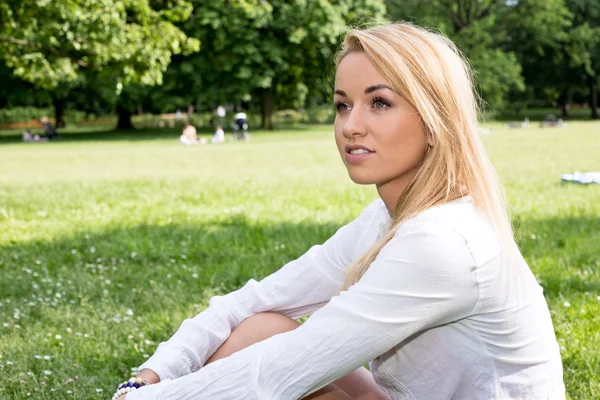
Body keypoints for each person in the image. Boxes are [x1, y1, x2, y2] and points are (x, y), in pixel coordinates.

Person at [113, 23, 565, 400]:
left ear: (435, 121)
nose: (351, 126)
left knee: (269, 357)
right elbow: (254, 302)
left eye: (379, 102)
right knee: (262, 326)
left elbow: (281, 372)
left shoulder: (444, 242)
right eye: (342, 105)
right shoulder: (387, 219)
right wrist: (153, 374)